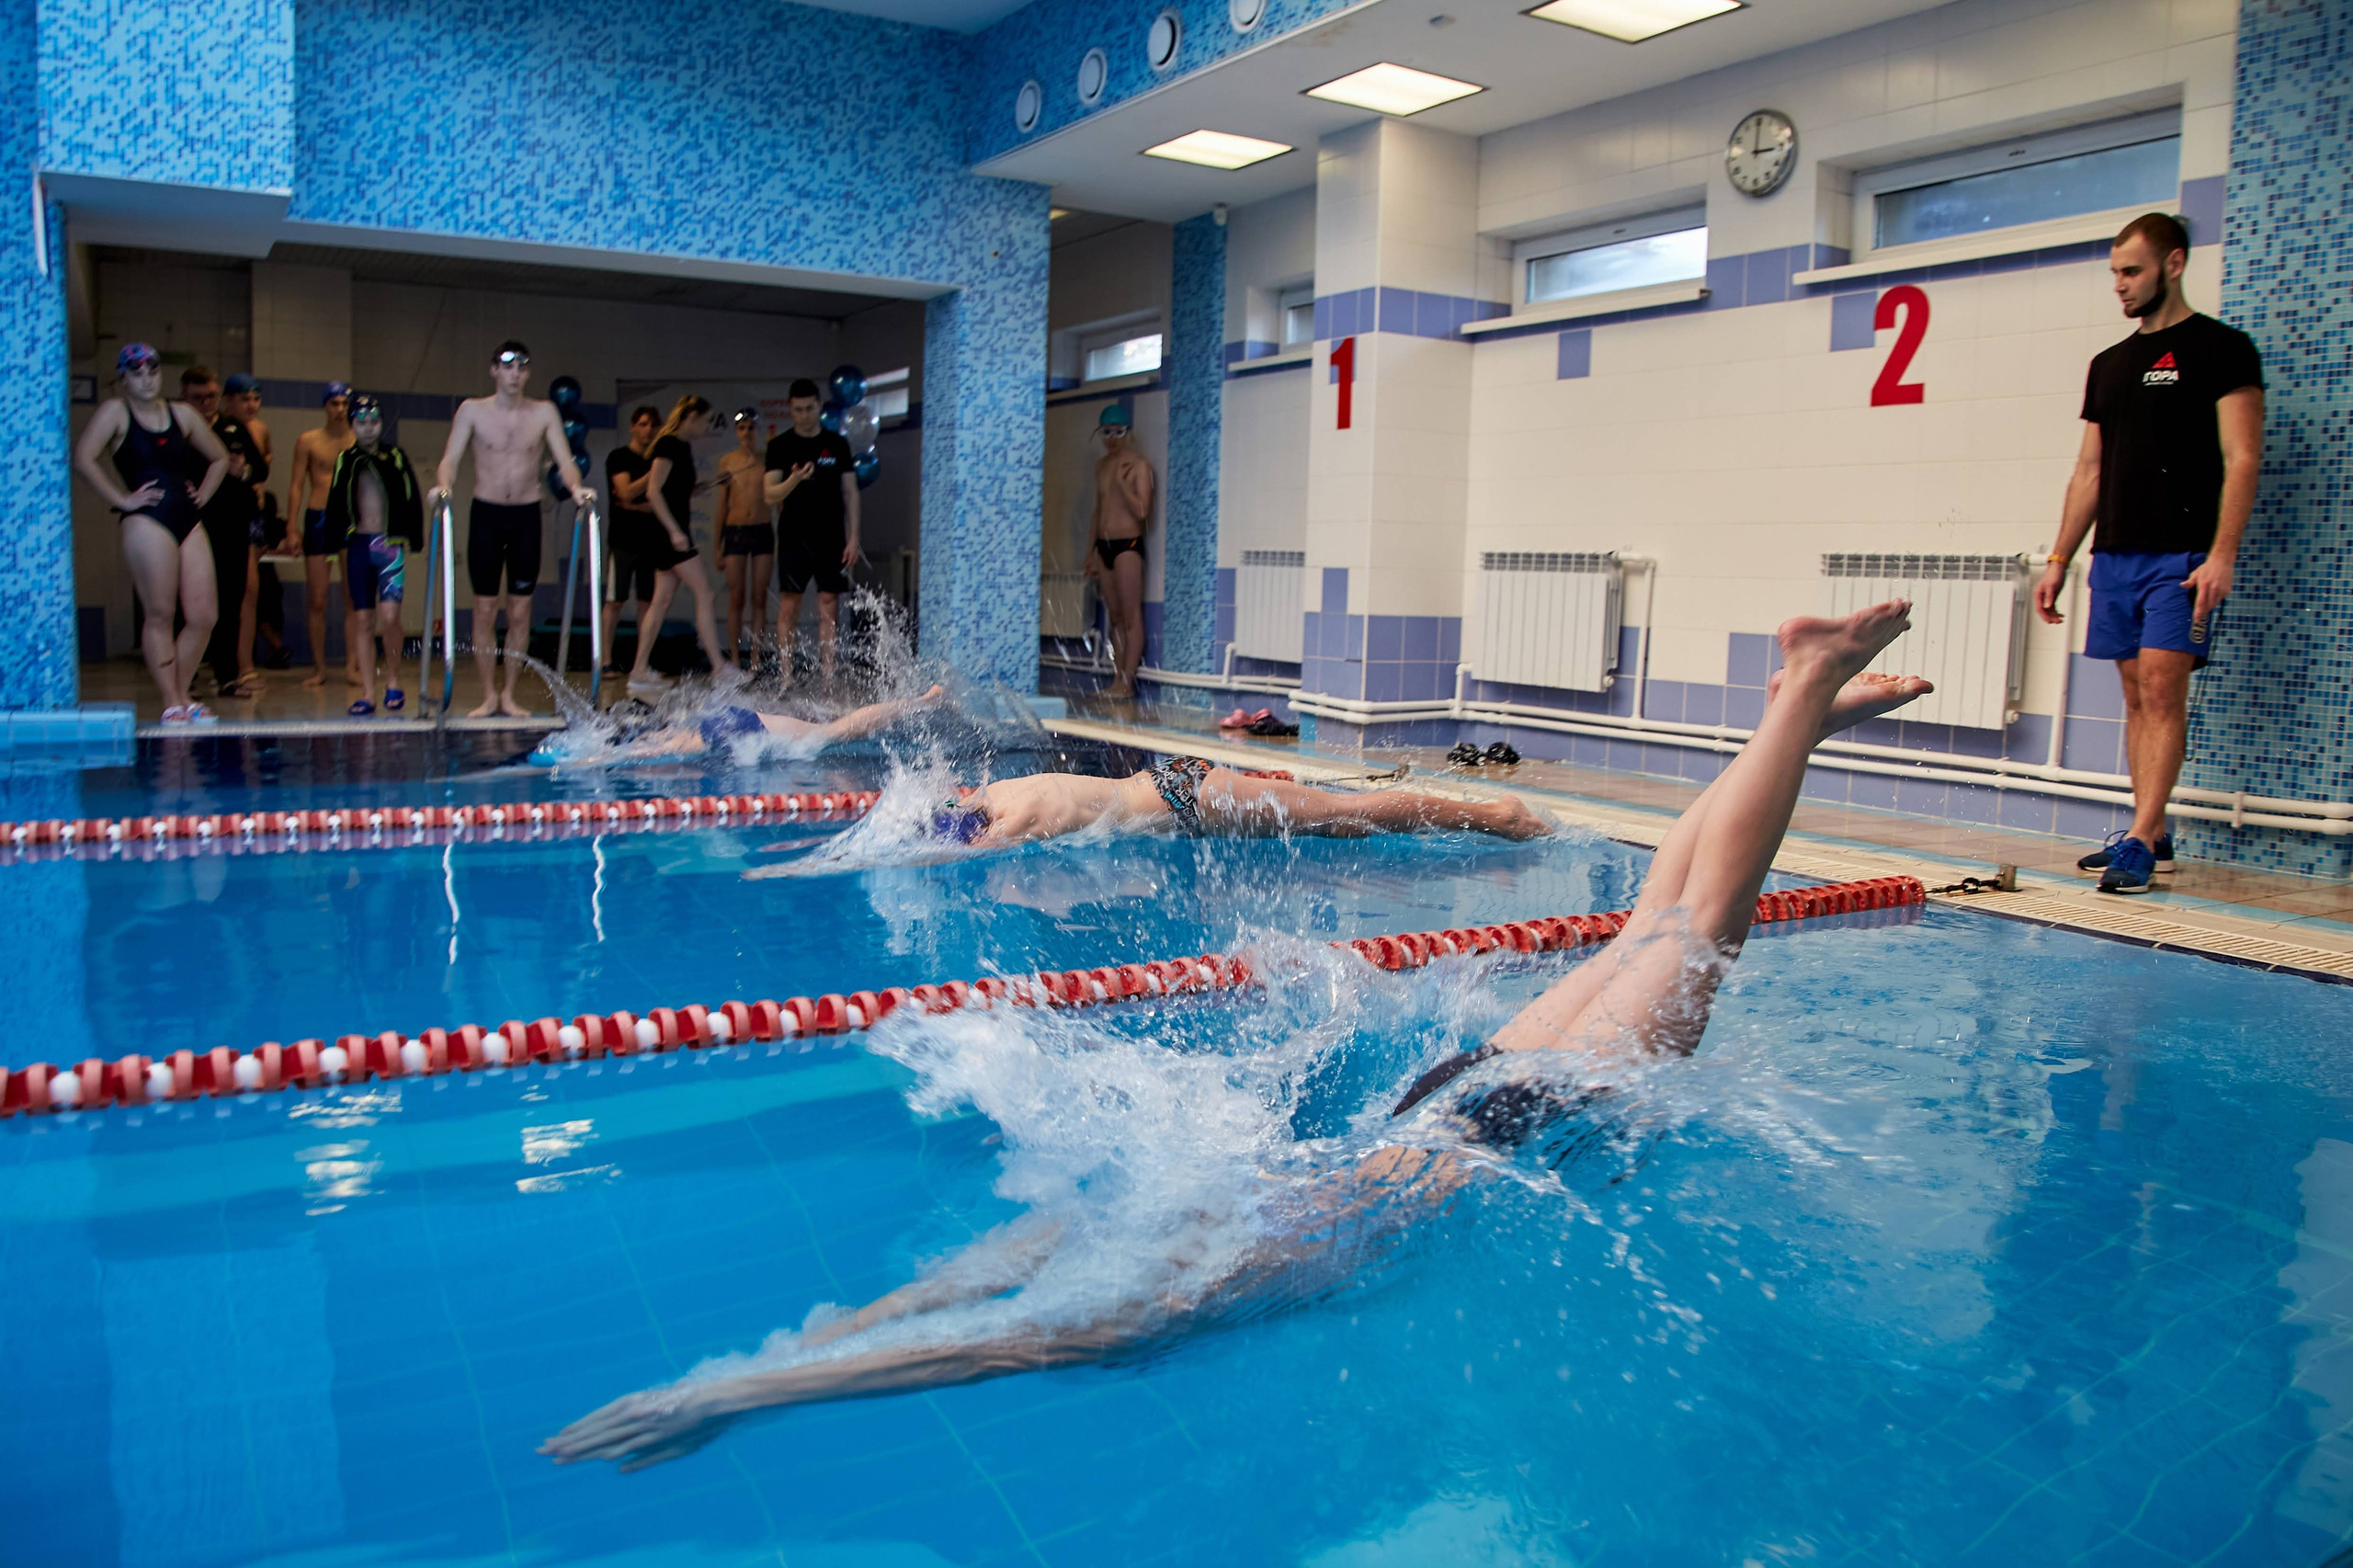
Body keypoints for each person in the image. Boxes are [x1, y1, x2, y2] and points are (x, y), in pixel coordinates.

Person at [540, 602, 1930, 1471]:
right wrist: (758, 1374)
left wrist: (749, 1391)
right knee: (1665, 933)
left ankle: (1800, 697)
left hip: (1464, 1107)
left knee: (1680, 932)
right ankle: (1791, 714)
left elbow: (992, 1336)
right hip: (1474, 1116)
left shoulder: (1157, 1271)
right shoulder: (1157, 1215)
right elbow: (979, 1298)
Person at [2035, 212, 2264, 895]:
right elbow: (2089, 472)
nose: (2120, 284)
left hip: (2182, 556)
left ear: (2174, 263)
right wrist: (2059, 559)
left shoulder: (2223, 349)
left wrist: (2222, 554)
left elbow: (2242, 456)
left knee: (2164, 689)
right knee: (2136, 696)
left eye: (2131, 271)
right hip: (2116, 556)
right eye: (2115, 273)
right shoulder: (2109, 366)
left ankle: (2137, 838)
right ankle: (2152, 832)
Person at [430, 341, 597, 720]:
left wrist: (575, 488)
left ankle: (508, 694)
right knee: (485, 609)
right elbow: (450, 459)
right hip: (486, 516)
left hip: (526, 517)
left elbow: (565, 460)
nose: (515, 373)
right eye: (507, 366)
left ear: (528, 373)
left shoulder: (544, 412)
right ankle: (488, 695)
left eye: (522, 367)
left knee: (520, 612)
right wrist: (444, 487)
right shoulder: (472, 410)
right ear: (494, 370)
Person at [73, 344, 233, 722]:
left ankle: (183, 693)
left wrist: (203, 494)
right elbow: (83, 458)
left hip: (187, 517)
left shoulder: (183, 414)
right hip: (147, 519)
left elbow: (220, 457)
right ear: (123, 378)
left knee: (204, 615)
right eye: (137, 373)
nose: (146, 379)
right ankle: (171, 700)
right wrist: (122, 499)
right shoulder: (116, 412)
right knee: (161, 612)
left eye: (152, 371)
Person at [916, 756, 1553, 849]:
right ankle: (1475, 818)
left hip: (1190, 799)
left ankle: (1502, 819)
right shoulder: (996, 793)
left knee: (1342, 813)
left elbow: (961, 855)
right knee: (1342, 822)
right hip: (1173, 788)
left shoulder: (1017, 817)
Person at [536, 683, 946, 766]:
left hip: (734, 730)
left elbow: (636, 753)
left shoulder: (664, 742)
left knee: (832, 733)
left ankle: (922, 701)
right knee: (832, 732)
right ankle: (920, 701)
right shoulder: (671, 734)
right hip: (731, 725)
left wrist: (586, 763)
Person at [626, 394, 737, 699]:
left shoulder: (682, 447)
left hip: (671, 532)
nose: (707, 426)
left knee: (660, 601)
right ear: (691, 417)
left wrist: (712, 484)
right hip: (669, 534)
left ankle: (638, 671)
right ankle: (718, 667)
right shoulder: (668, 444)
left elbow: (679, 491)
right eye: (705, 420)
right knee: (705, 592)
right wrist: (674, 531)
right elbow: (653, 492)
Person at [321, 394, 424, 716]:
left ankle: (393, 680)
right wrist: (331, 543)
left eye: (375, 422)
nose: (369, 429)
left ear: (382, 424)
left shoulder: (394, 456)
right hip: (358, 547)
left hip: (388, 546)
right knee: (363, 620)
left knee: (390, 617)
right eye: (362, 423)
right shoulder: (346, 459)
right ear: (352, 425)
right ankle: (367, 692)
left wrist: (416, 537)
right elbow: (335, 501)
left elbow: (412, 495)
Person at [764, 380, 857, 685]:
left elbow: (850, 492)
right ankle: (786, 675)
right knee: (789, 605)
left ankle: (828, 676)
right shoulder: (779, 446)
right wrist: (794, 480)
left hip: (831, 536)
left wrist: (854, 536)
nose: (804, 415)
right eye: (798, 410)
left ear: (819, 406)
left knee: (829, 605)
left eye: (809, 409)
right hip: (795, 536)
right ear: (790, 409)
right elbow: (770, 494)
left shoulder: (837, 443)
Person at [180, 368, 264, 702]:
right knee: (187, 602)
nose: (206, 403)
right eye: (198, 398)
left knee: (230, 600)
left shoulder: (233, 428)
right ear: (185, 398)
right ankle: (184, 676)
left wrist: (243, 471)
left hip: (231, 524)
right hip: (192, 525)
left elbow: (261, 468)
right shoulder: (178, 428)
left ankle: (227, 675)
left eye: (211, 397)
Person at [287, 382, 357, 690]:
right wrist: (291, 527)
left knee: (353, 597)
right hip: (318, 518)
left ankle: (353, 666)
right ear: (325, 406)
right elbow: (296, 485)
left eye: (344, 404)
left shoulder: (359, 440)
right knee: (317, 598)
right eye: (334, 404)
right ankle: (319, 668)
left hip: (351, 521)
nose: (340, 410)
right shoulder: (308, 441)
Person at [1085, 404, 1154, 699]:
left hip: (1128, 546)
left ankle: (1127, 683)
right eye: (1106, 433)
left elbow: (1142, 511)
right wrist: (1090, 551)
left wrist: (1123, 485)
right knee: (1113, 618)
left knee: (1130, 617)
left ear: (1127, 433)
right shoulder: (1101, 467)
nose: (1112, 439)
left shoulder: (1138, 465)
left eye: (1118, 432)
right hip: (1104, 547)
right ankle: (1117, 680)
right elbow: (1098, 511)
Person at [222, 372, 277, 696]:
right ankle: (231, 665)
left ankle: (244, 665)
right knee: (234, 591)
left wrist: (253, 480)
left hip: (251, 516)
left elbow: (263, 465)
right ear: (229, 401)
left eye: (256, 399)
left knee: (250, 590)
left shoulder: (261, 430)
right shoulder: (220, 428)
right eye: (245, 399)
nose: (252, 405)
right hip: (226, 516)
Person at [601, 406, 661, 681]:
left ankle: (642, 664)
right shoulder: (619, 457)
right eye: (643, 424)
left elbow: (656, 500)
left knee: (647, 604)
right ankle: (605, 661)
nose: (648, 430)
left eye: (652, 425)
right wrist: (651, 479)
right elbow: (626, 491)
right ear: (633, 427)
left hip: (651, 541)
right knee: (615, 601)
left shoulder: (657, 459)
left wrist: (637, 502)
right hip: (622, 541)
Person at [715, 407, 773, 672]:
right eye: (742, 428)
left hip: (762, 529)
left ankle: (756, 658)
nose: (746, 433)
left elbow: (777, 498)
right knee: (736, 597)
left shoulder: (767, 459)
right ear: (736, 432)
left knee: (759, 597)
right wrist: (717, 547)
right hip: (735, 531)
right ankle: (736, 659)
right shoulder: (727, 461)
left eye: (750, 428)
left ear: (756, 430)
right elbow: (722, 505)